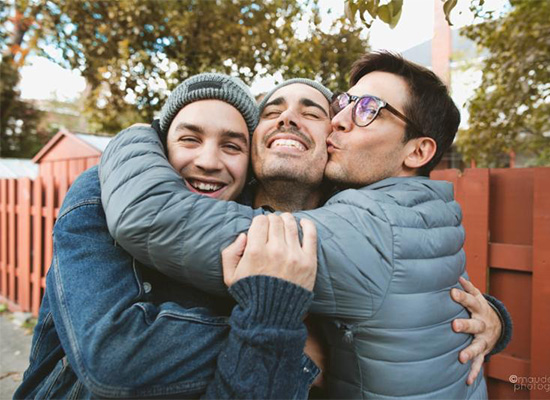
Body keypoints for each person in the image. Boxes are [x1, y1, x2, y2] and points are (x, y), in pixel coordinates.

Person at [98, 52, 512, 398]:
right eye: (345, 102)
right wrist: (496, 319)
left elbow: (147, 214)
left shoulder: (369, 227)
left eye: (368, 109)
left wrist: (137, 135)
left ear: (418, 151)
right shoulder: (420, 211)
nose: (341, 120)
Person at [15, 73, 321, 399]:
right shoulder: (100, 195)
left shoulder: (252, 227)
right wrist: (289, 346)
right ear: (162, 146)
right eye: (189, 139)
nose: (208, 161)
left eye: (231, 146)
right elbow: (115, 355)